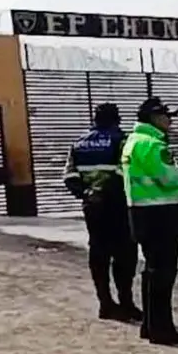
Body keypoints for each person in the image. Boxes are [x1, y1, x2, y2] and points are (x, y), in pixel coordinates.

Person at [121, 97, 178, 345]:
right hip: (161, 216)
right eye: (167, 116)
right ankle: (162, 329)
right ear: (154, 118)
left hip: (143, 214)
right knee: (163, 274)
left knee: (152, 272)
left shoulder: (133, 142)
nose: (170, 121)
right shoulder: (153, 145)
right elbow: (168, 178)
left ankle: (150, 325)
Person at [63, 103, 141, 322]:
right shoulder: (122, 140)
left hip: (92, 207)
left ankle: (105, 304)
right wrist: (105, 193)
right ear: (117, 119)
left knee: (99, 254)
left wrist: (88, 193)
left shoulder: (79, 143)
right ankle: (126, 303)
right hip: (118, 206)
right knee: (124, 254)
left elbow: (68, 175)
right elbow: (121, 171)